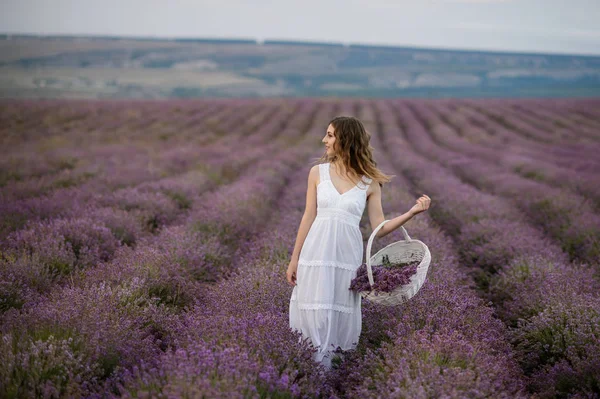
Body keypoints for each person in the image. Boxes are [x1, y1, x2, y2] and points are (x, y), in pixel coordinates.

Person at [286, 116, 431, 370]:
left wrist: (410, 213)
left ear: (346, 139)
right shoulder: (317, 173)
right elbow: (308, 216)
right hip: (315, 253)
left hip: (346, 258)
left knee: (339, 311)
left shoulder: (369, 182)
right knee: (314, 311)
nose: (324, 140)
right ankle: (310, 374)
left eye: (330, 135)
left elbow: (380, 228)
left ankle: (335, 376)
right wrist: (294, 258)